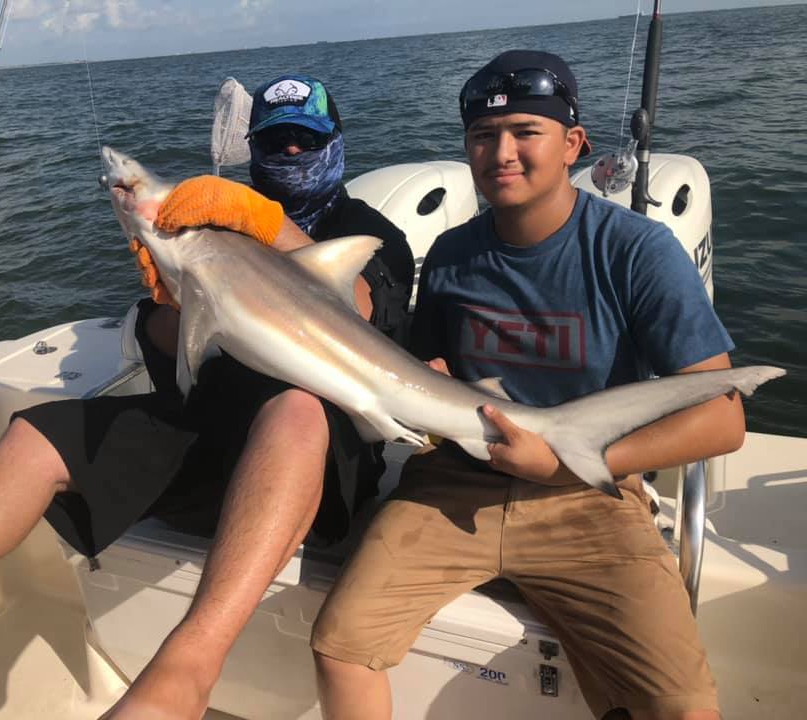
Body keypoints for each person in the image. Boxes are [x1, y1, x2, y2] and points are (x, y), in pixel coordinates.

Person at [0, 73, 413, 720]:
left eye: (304, 141)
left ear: (336, 143)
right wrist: (177, 294)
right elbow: (171, 355)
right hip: (210, 426)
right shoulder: (206, 220)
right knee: (37, 435)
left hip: (318, 456)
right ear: (252, 146)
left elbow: (369, 316)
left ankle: (186, 669)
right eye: (275, 140)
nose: (288, 155)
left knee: (295, 409)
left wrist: (271, 226)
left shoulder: (364, 232)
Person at [310, 51, 739, 720]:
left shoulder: (637, 250)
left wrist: (565, 460)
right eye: (482, 136)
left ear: (574, 144)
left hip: (587, 495)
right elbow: (433, 371)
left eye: (524, 132)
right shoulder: (452, 253)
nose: (500, 152)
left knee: (684, 706)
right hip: (454, 485)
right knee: (339, 644)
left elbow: (722, 419)